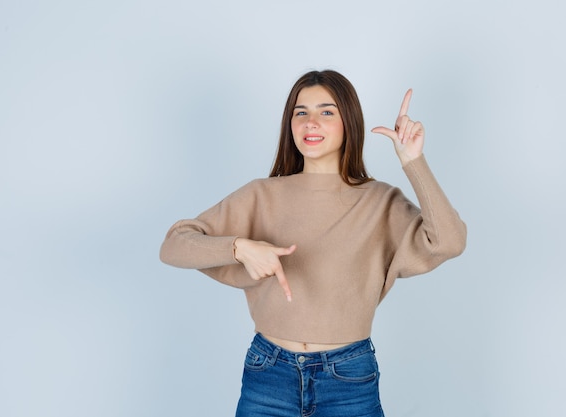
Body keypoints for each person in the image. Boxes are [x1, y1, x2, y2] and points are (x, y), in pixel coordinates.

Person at [159, 69, 467, 417]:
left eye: (326, 111)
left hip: (348, 378)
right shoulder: (261, 195)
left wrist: (413, 162)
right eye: (300, 112)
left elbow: (449, 241)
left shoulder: (381, 202)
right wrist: (238, 248)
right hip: (268, 375)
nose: (311, 122)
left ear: (348, 121)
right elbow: (174, 244)